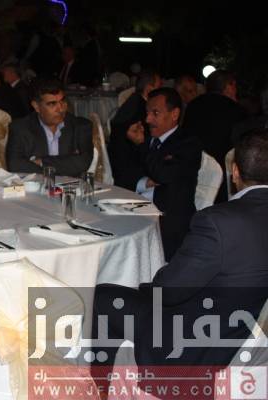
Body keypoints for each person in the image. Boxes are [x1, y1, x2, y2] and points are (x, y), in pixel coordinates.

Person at [94, 128, 268, 372]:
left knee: (102, 297)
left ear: (235, 172)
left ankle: (98, 385)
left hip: (196, 343)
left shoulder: (218, 222)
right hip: (247, 333)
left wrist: (145, 286)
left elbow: (168, 292)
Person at [125, 87, 201, 260]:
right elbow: (122, 175)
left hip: (169, 223)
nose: (147, 119)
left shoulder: (188, 143)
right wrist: (143, 183)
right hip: (136, 212)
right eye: (147, 113)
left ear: (174, 114)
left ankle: (152, 281)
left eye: (155, 113)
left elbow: (162, 174)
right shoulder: (146, 138)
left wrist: (142, 146)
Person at [5, 79, 93, 176]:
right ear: (36, 106)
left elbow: (83, 163)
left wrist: (42, 161)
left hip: (72, 185)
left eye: (62, 101)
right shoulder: (20, 128)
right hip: (37, 185)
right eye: (52, 104)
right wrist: (67, 164)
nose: (60, 109)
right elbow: (15, 165)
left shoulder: (81, 126)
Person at [182, 69, 246, 203]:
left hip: (191, 168)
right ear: (228, 86)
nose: (236, 90)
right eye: (234, 85)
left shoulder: (193, 105)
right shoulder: (236, 110)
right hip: (222, 176)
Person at [109, 70, 162, 191]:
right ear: (149, 89)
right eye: (159, 87)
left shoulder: (134, 101)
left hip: (118, 163)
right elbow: (146, 143)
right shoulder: (141, 110)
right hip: (130, 171)